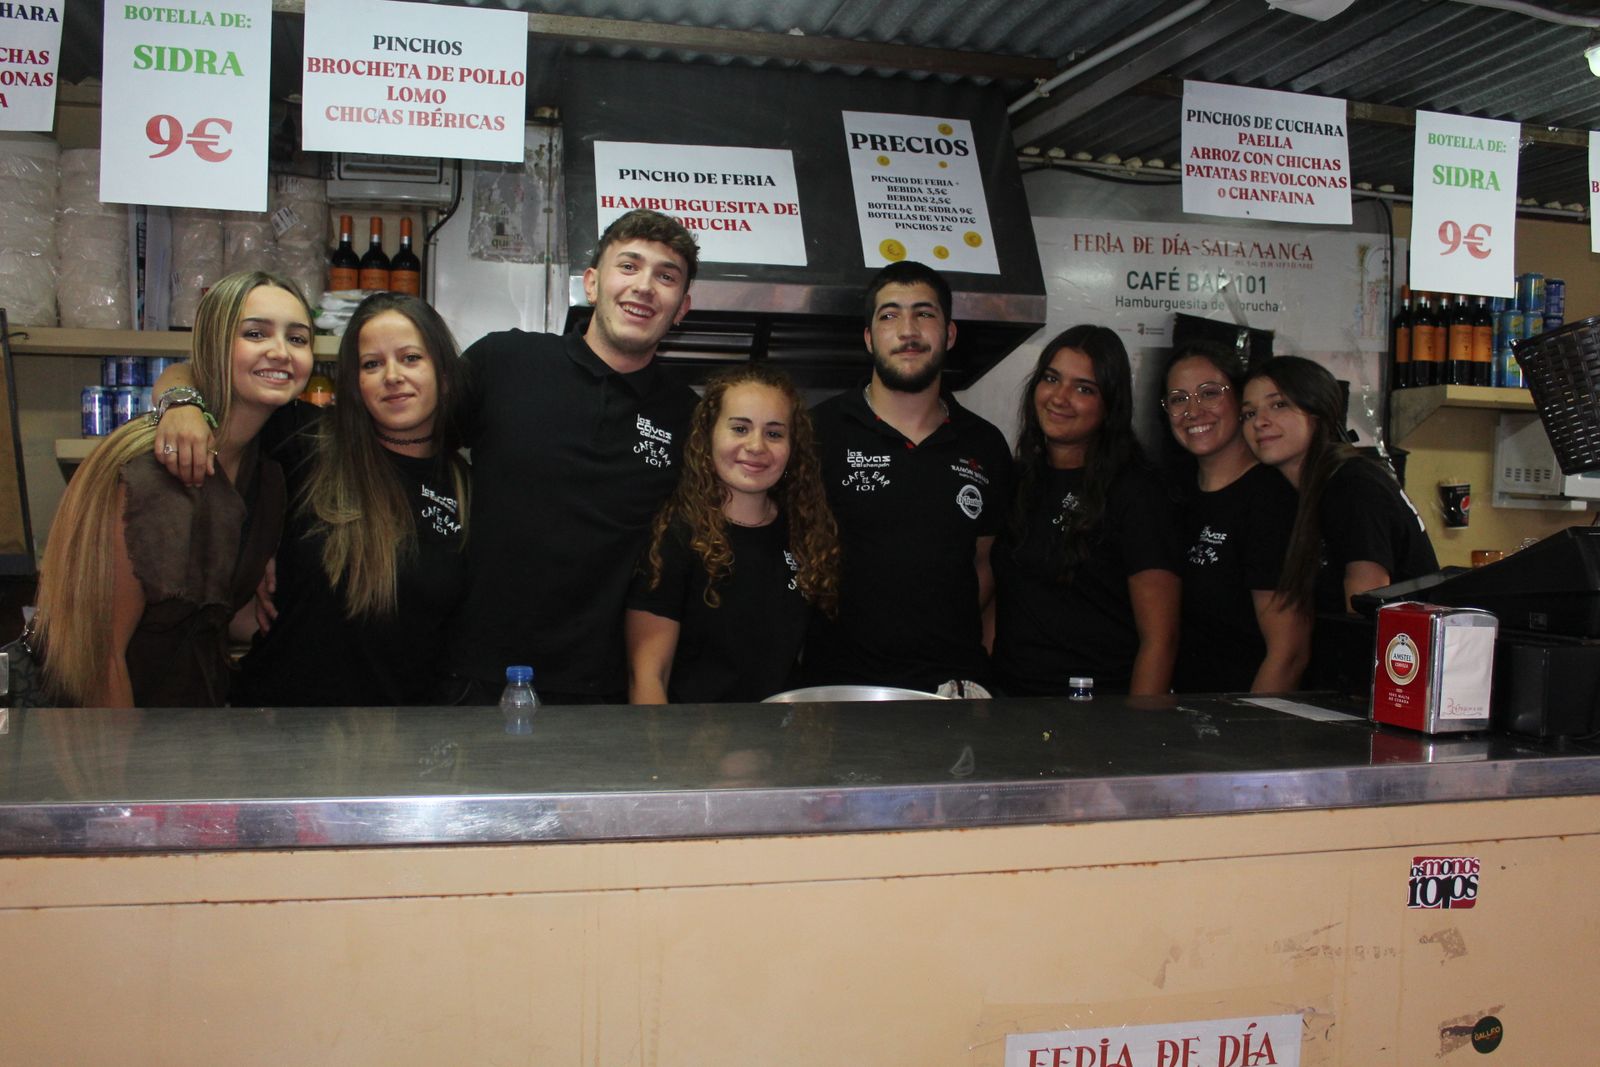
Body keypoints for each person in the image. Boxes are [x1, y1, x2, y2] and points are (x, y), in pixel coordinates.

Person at [155, 208, 700, 706]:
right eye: (629, 265)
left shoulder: (687, 416)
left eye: (666, 276)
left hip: (593, 686)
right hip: (470, 681)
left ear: (683, 308)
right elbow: (379, 420)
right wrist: (183, 405)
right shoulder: (508, 361)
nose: (644, 287)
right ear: (592, 282)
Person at [32, 270, 313, 706]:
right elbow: (98, 660)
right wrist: (120, 772)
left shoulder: (268, 475)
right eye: (255, 333)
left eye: (298, 339)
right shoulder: (143, 469)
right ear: (213, 343)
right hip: (110, 740)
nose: (280, 352)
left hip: (192, 737)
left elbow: (215, 617)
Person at [228, 292, 471, 706]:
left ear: (443, 374)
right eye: (371, 364)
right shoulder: (308, 442)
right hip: (280, 735)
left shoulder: (466, 486)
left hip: (405, 743)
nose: (392, 376)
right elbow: (202, 380)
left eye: (411, 358)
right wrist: (181, 406)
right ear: (355, 383)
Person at [802, 261, 1013, 694]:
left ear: (949, 334)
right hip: (838, 689)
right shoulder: (817, 432)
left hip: (951, 689)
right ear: (869, 337)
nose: (908, 330)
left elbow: (984, 563)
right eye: (889, 315)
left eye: (925, 313)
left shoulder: (986, 445)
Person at [625, 365, 839, 703]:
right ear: (708, 434)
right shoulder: (678, 536)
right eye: (740, 428)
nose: (756, 446)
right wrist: (662, 755)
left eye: (774, 433)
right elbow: (649, 675)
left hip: (781, 743)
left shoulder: (806, 532)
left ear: (793, 446)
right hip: (692, 747)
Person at [991, 325, 1181, 696]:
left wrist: (1139, 734)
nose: (1060, 398)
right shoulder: (1018, 479)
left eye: (1084, 389)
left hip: (1095, 717)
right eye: (1051, 378)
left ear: (1110, 404)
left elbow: (1161, 639)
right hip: (1009, 708)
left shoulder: (1137, 491)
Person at [1240, 355, 1438, 617]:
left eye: (1278, 405)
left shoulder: (1350, 484)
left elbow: (1365, 605)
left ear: (1317, 413)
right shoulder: (1294, 489)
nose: (1259, 421)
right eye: (1249, 413)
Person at [1163, 344, 1310, 693]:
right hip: (1185, 721)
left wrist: (1248, 735)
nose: (1193, 411)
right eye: (1178, 399)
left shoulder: (1270, 500)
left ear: (1239, 401)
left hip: (1244, 727)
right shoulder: (1174, 493)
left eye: (1209, 393)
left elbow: (1289, 652)